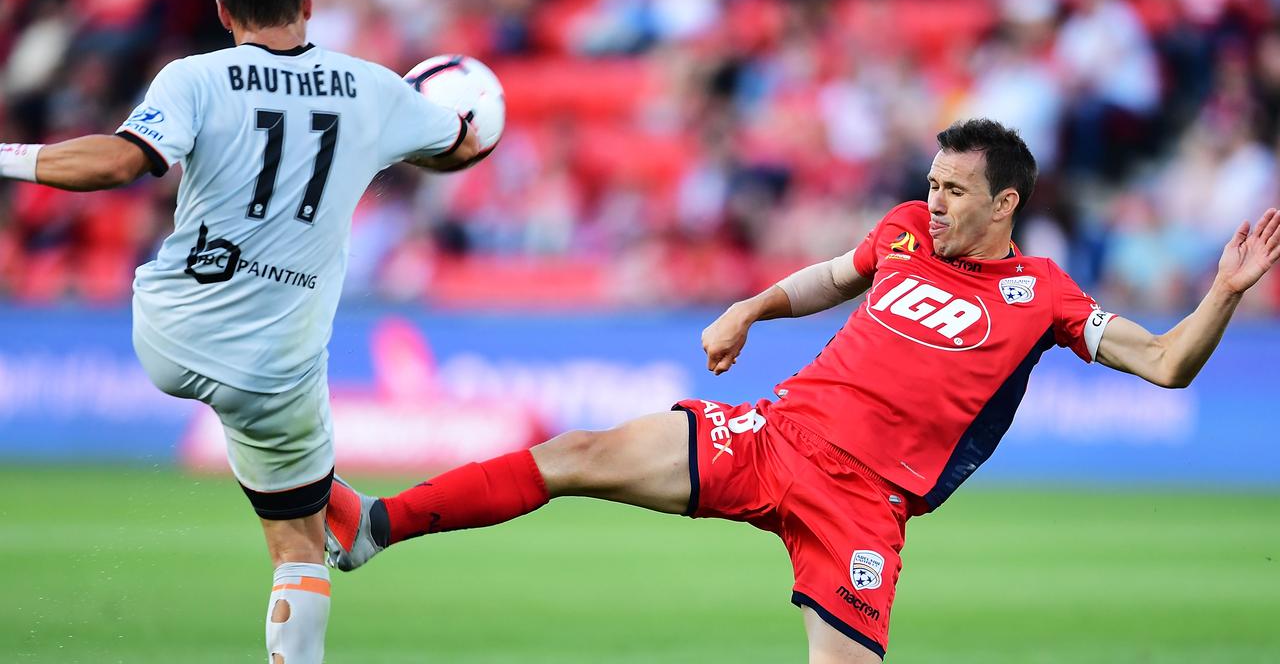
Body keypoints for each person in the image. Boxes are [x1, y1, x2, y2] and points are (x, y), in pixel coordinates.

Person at [325, 119, 1280, 663]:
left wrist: (1223, 294)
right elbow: (831, 278)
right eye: (933, 183)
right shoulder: (904, 231)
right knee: (575, 455)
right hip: (774, 435)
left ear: (1006, 205)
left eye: (955, 190)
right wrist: (745, 309)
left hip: (866, 506)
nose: (934, 200)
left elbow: (1163, 363)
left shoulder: (1044, 298)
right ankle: (378, 527)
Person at [0, 0, 483, 662]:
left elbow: (119, 161)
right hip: (276, 369)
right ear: (310, 4)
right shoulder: (374, 91)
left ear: (224, 13)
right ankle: (330, 512)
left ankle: (328, 499)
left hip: (170, 333)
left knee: (254, 430)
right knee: (295, 544)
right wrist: (451, 124)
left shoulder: (194, 76)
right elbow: (462, 146)